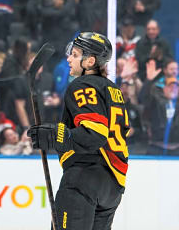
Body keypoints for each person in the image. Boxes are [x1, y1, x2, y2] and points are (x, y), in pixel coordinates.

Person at [28, 32, 128, 230]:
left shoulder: (83, 84)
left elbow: (94, 134)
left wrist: (54, 135)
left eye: (74, 54)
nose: (68, 58)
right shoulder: (112, 89)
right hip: (112, 186)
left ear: (90, 61)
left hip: (84, 178)